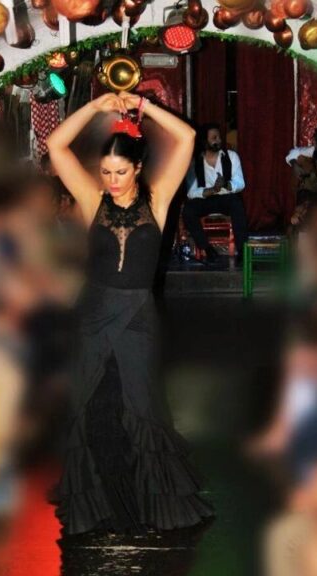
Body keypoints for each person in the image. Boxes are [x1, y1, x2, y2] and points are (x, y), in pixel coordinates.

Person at [46, 91, 213, 535]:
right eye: (105, 172)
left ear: (138, 168)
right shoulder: (91, 198)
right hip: (94, 311)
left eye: (120, 172)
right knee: (90, 403)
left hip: (138, 315)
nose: (112, 179)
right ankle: (98, 497)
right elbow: (56, 147)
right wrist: (94, 108)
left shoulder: (158, 199)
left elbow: (188, 136)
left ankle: (150, 501)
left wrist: (143, 105)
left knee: (142, 405)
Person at [182, 123, 248, 267]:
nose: (218, 140)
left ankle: (242, 250)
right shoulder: (194, 161)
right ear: (204, 141)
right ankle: (207, 249)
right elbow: (191, 192)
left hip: (225, 197)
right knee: (188, 210)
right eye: (214, 138)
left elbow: (240, 183)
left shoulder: (231, 156)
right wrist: (211, 190)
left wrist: (225, 184)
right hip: (205, 199)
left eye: (218, 137)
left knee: (237, 203)